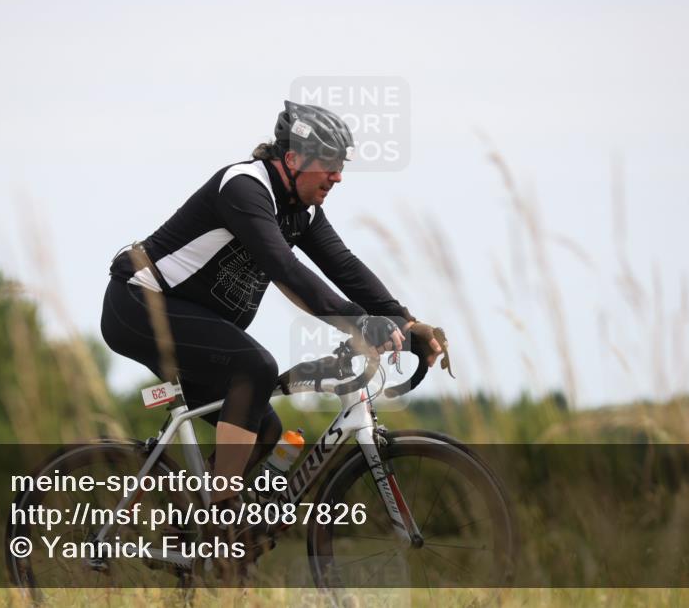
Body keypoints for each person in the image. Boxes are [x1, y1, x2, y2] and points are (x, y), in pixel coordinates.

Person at [100, 100, 445, 543]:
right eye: (330, 166)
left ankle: (191, 534)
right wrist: (362, 325)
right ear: (293, 159)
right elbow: (287, 269)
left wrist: (405, 323)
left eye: (341, 167)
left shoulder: (301, 213)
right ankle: (222, 517)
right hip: (136, 304)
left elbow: (344, 266)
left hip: (187, 319)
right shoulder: (243, 189)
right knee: (256, 367)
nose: (338, 177)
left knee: (265, 429)